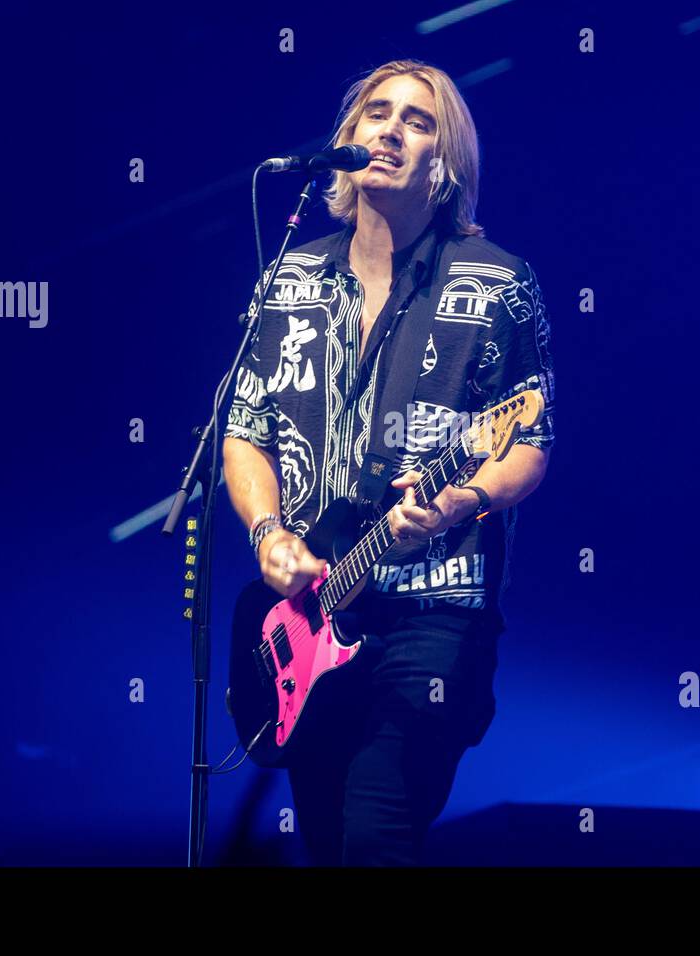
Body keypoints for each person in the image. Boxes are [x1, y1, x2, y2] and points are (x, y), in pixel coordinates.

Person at [222, 58, 556, 865]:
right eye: (376, 113)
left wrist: (460, 502)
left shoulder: (500, 282)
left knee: (379, 834)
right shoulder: (289, 280)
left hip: (434, 616)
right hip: (313, 615)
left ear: (449, 163)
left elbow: (531, 445)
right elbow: (243, 431)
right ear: (347, 140)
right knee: (330, 843)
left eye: (418, 120)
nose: (391, 130)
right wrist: (269, 536)